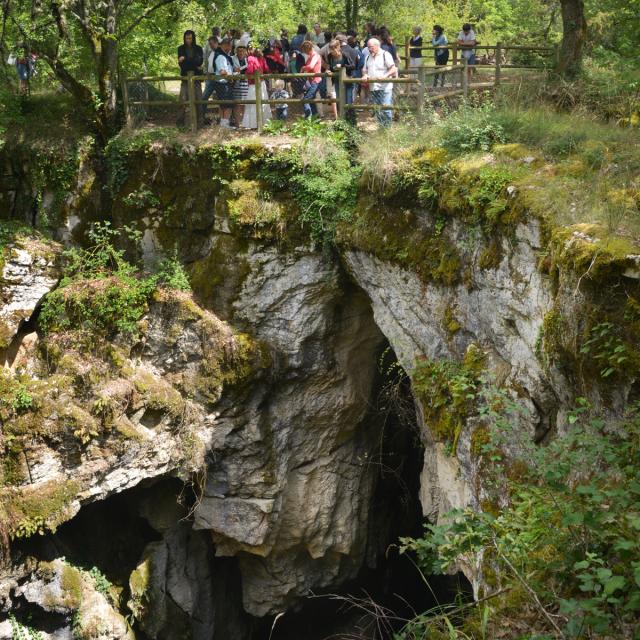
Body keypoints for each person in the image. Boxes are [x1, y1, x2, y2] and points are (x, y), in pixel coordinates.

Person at [362, 37, 397, 127]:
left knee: (386, 108)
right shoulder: (367, 57)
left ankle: (387, 128)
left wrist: (384, 76)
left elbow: (393, 68)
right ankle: (382, 127)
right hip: (373, 87)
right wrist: (365, 75)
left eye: (371, 47)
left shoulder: (386, 54)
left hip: (385, 87)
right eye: (368, 47)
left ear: (377, 46)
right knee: (377, 108)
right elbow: (364, 70)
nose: (369, 49)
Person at [177, 30, 204, 128]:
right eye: (187, 38)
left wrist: (186, 60)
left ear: (193, 38)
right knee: (182, 101)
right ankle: (180, 124)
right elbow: (181, 65)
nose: (188, 40)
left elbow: (200, 61)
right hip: (185, 78)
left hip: (196, 78)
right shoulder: (180, 48)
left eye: (190, 38)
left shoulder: (198, 48)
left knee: (199, 101)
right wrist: (193, 63)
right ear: (184, 38)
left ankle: (200, 123)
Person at [242, 47, 271, 128]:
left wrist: (244, 73)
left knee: (252, 103)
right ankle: (264, 122)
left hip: (253, 84)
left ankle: (253, 124)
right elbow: (267, 69)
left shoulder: (251, 58)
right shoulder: (262, 58)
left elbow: (250, 70)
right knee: (263, 102)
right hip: (262, 83)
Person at [212, 37, 234, 128]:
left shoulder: (224, 56)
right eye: (230, 46)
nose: (231, 48)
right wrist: (231, 78)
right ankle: (225, 125)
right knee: (227, 105)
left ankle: (223, 125)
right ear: (226, 45)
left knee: (223, 105)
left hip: (223, 83)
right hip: (223, 83)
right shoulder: (221, 56)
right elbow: (222, 72)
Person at [300, 40, 322, 118]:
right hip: (311, 81)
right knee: (311, 99)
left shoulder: (315, 55)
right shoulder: (310, 56)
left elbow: (311, 66)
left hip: (315, 81)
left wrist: (303, 68)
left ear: (307, 49)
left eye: (304, 50)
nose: (304, 52)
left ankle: (308, 118)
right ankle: (316, 118)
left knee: (306, 99)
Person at [232, 45, 249, 127]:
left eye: (242, 51)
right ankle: (238, 123)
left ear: (245, 51)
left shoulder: (248, 59)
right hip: (236, 84)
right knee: (237, 104)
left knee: (245, 103)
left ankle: (244, 123)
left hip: (246, 83)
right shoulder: (232, 59)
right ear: (236, 51)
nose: (241, 52)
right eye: (239, 51)